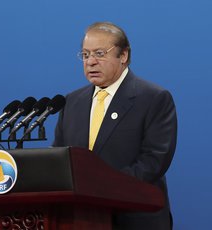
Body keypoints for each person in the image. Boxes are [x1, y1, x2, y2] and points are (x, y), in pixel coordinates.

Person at [53, 22, 177, 230]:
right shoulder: (72, 102)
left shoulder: (154, 98)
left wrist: (102, 188)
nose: (91, 62)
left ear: (123, 56)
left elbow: (154, 161)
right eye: (85, 55)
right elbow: (60, 158)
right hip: (81, 220)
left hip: (135, 218)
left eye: (99, 53)